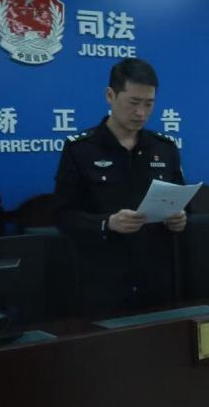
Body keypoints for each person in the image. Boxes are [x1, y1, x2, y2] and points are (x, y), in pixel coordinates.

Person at [53, 57, 187, 316]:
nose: (141, 113)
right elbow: (63, 216)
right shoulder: (80, 149)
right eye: (133, 103)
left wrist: (180, 219)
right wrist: (108, 223)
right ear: (110, 96)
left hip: (157, 281)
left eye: (149, 104)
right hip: (103, 283)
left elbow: (183, 205)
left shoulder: (164, 148)